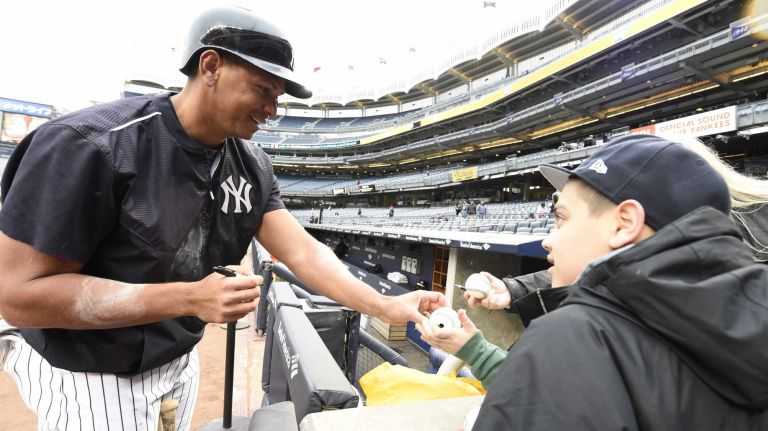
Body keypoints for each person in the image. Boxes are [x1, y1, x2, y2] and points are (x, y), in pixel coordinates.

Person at [0, 7, 445, 431]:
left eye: (278, 97)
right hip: (90, 371)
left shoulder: (251, 164)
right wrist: (190, 299)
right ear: (210, 66)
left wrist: (385, 304)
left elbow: (304, 252)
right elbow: (18, 296)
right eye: (263, 89)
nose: (273, 109)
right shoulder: (88, 145)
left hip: (177, 358)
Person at [422, 134, 768, 429]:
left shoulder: (572, 335)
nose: (548, 240)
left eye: (561, 219)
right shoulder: (741, 324)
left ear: (623, 224)